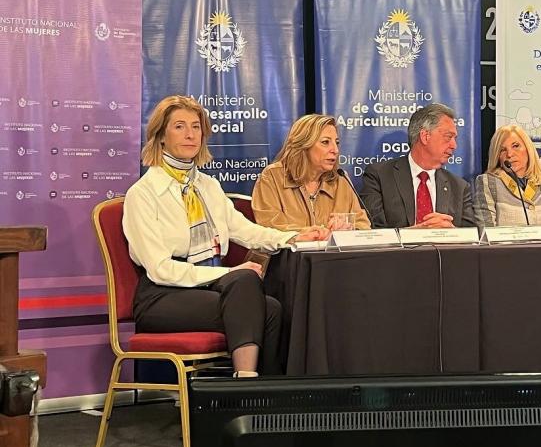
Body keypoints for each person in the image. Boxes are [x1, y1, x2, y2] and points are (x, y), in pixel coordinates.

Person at [122, 95, 320, 377]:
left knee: (270, 306)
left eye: (196, 127)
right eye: (179, 126)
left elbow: (245, 231)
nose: (191, 134)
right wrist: (229, 272)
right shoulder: (143, 194)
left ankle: (266, 396)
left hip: (209, 288)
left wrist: (292, 238)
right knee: (250, 291)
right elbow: (160, 270)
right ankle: (245, 389)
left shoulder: (208, 186)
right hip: (163, 295)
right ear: (161, 136)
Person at [252, 114, 370, 239]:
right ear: (303, 145)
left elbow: (363, 225)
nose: (335, 150)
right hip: (287, 256)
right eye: (325, 142)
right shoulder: (272, 177)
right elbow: (267, 228)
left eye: (337, 142)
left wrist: (348, 228)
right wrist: (312, 233)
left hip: (331, 257)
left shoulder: (340, 179)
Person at [359, 103, 475, 229]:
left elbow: (472, 236)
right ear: (425, 136)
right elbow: (373, 231)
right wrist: (416, 232)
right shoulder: (378, 176)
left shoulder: (459, 187)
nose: (454, 145)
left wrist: (451, 232)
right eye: (448, 137)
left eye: (455, 138)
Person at [473, 124, 541, 231]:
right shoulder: (488, 183)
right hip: (505, 249)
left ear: (528, 149)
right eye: (502, 150)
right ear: (497, 156)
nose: (510, 154)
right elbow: (487, 232)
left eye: (516, 146)